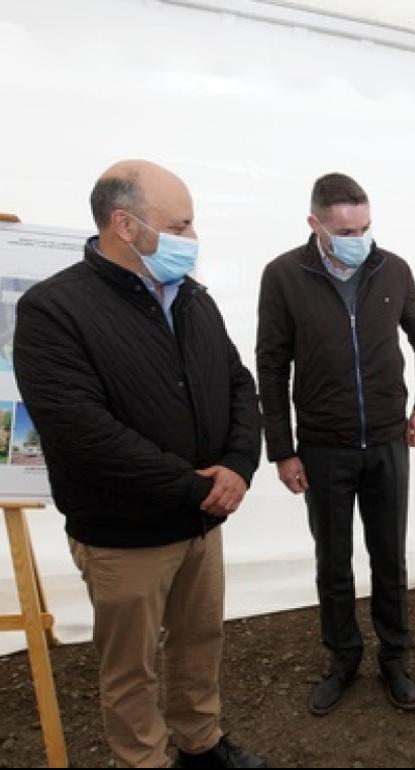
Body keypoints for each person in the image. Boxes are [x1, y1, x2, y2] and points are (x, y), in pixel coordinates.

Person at [13, 160, 267, 768]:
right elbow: (83, 432)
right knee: (130, 665)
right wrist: (193, 488)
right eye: (179, 226)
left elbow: (238, 384)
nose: (192, 238)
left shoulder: (193, 298)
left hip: (201, 522)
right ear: (124, 225)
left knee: (199, 641)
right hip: (124, 533)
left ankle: (200, 744)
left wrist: (237, 465)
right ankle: (144, 760)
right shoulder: (54, 310)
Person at [256, 172, 415, 716]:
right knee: (333, 561)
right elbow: (271, 364)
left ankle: (395, 658)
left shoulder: (392, 269)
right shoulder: (284, 276)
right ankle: (342, 658)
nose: (359, 239)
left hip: (386, 441)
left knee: (390, 556)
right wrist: (282, 449)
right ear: (315, 224)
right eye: (345, 231)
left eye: (365, 227)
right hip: (323, 447)